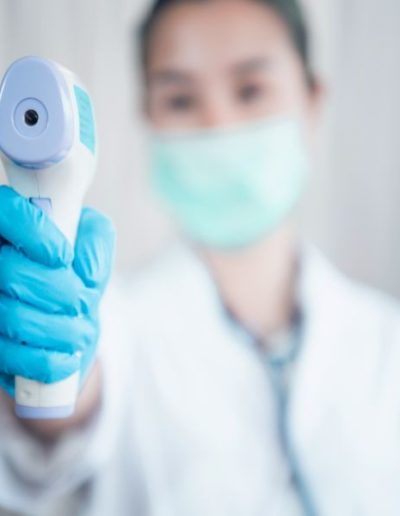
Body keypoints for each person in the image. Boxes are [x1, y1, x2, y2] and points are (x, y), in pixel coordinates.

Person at [0, 0, 400, 515]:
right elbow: (51, 446)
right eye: (181, 99)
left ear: (313, 100)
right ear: (149, 116)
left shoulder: (386, 342)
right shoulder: (110, 326)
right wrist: (55, 386)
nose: (217, 123)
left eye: (250, 90)